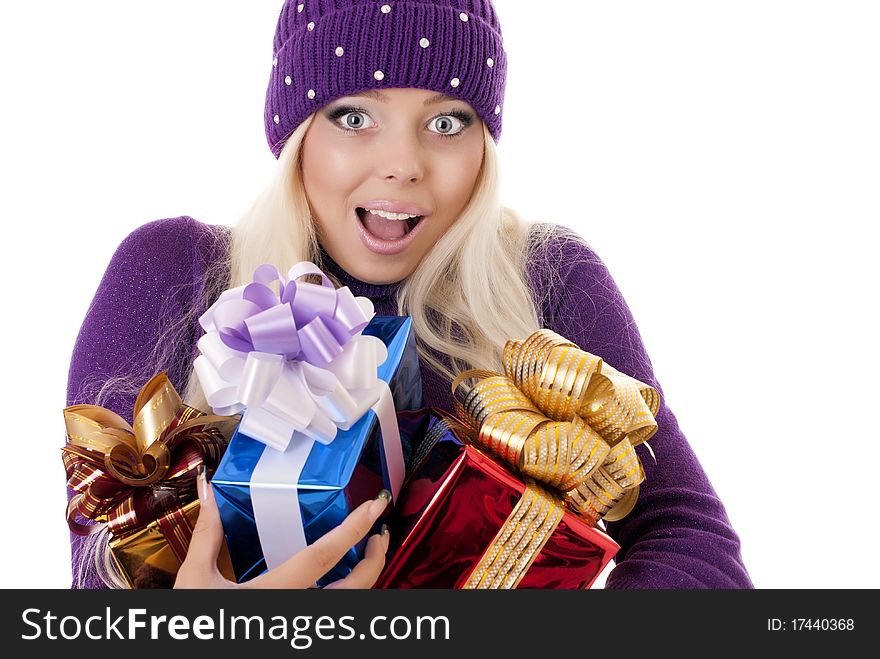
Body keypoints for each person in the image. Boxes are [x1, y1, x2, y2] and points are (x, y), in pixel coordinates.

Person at [65, 0, 753, 589]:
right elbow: (93, 579)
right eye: (354, 116)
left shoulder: (547, 278)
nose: (403, 164)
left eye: (447, 121)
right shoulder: (172, 273)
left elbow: (692, 540)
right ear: (296, 133)